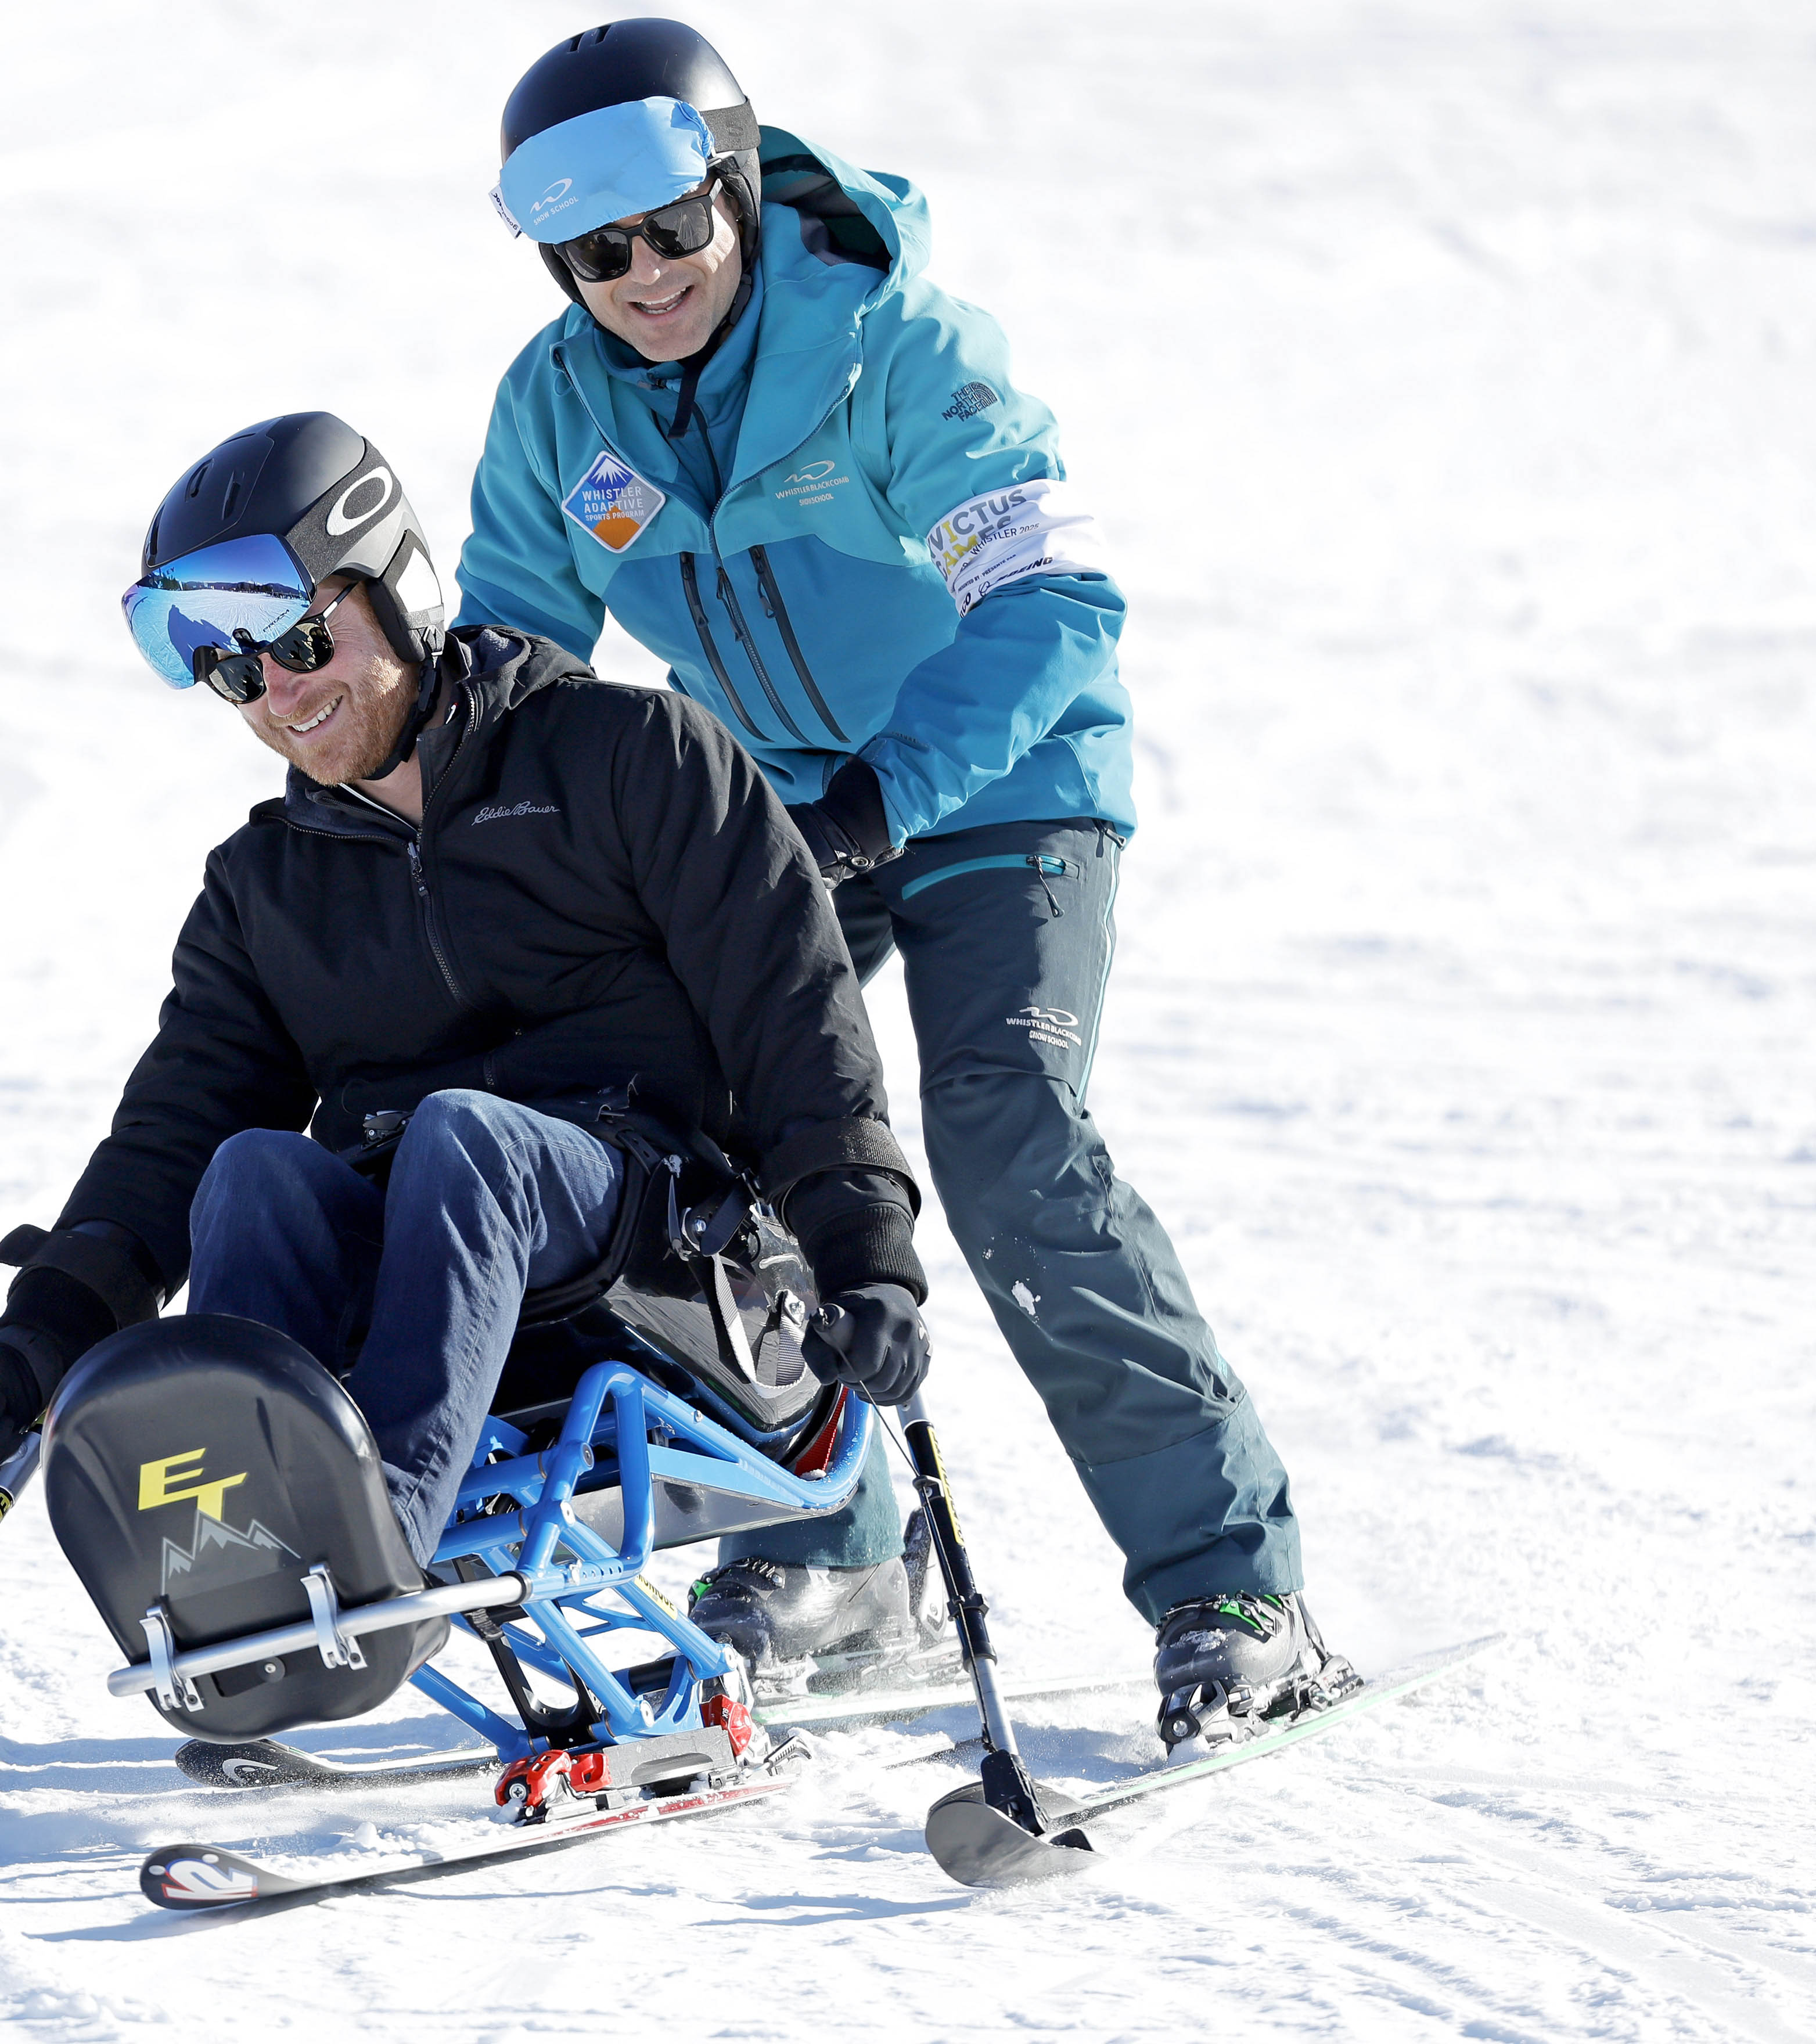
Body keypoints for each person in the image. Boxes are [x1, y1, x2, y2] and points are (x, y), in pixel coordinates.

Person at [454, 19, 1350, 1748]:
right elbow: (513, 671)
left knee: (1007, 1144)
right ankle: (837, 1556)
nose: (637, 279)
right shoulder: (558, 412)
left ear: (736, 193)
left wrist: (891, 788)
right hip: (780, 818)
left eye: (670, 233)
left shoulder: (891, 349)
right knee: (701, 1148)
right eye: (590, 252)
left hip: (1005, 787)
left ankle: (1236, 1584)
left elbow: (1051, 603)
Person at [0, 412, 932, 1574]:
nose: (277, 694)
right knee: (252, 1172)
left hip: (678, 1275)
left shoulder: (632, 757)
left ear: (394, 588)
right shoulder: (265, 888)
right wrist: (37, 1341)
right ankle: (226, 1566)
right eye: (232, 670)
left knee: (464, 1139)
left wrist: (865, 1255)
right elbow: (170, 1134)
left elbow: (794, 1012)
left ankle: (365, 1535)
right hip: (423, 1309)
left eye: (296, 642)